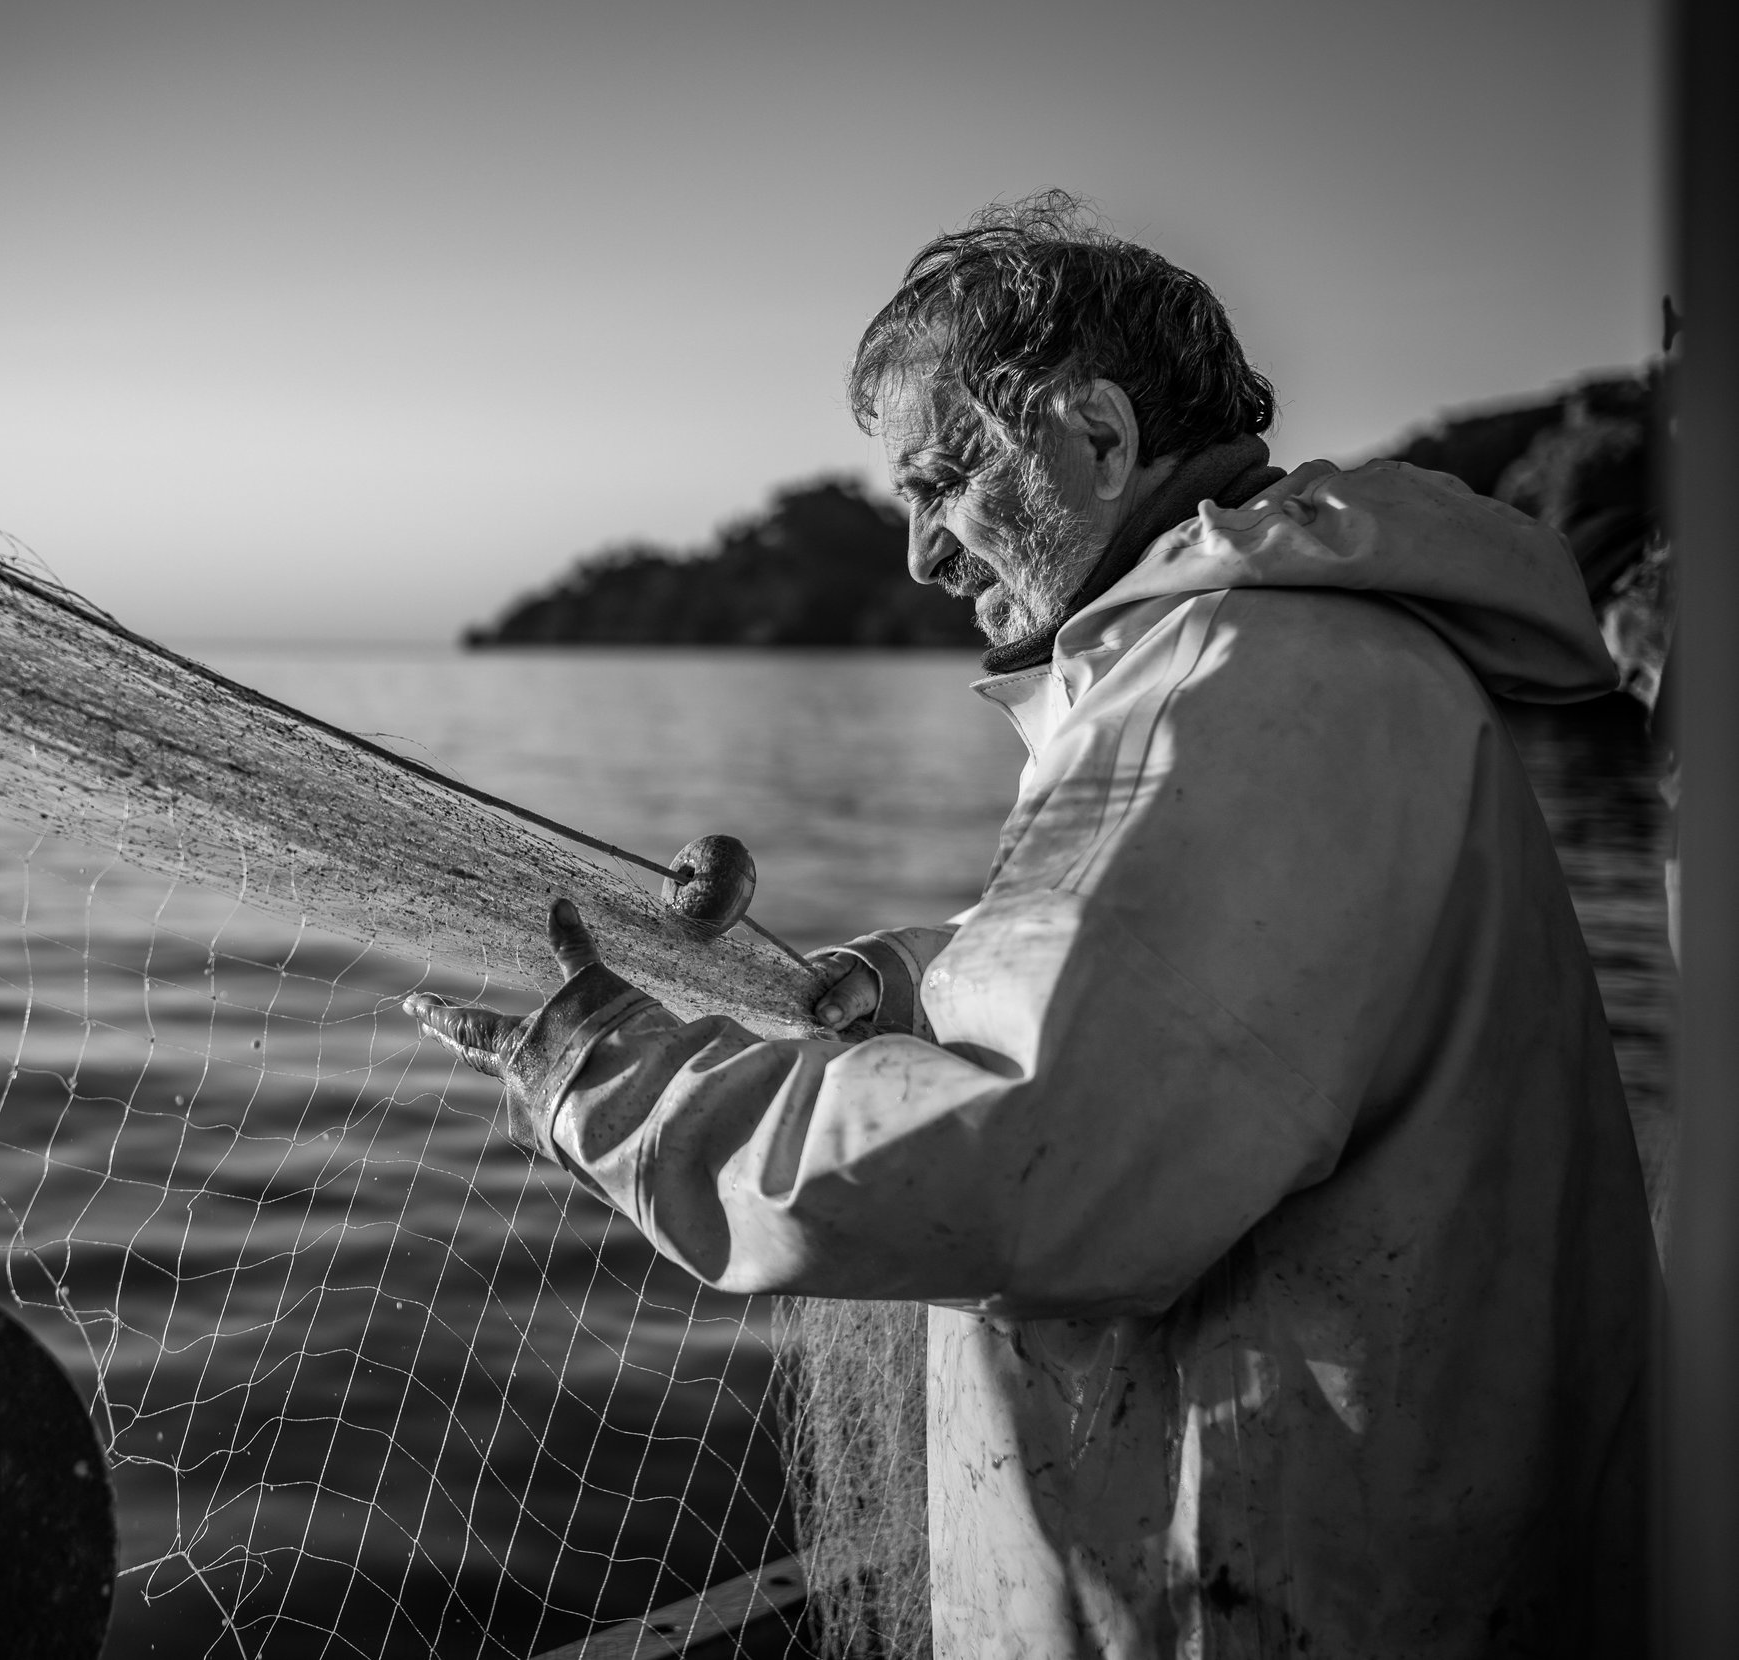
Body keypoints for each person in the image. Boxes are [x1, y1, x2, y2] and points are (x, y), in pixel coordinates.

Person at [407, 194, 1656, 1658]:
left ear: (1099, 439)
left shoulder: (1236, 688)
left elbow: (1038, 1169)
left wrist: (615, 1087)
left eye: (943, 480)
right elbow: (1187, 1007)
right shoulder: (1278, 659)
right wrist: (885, 988)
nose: (928, 556)